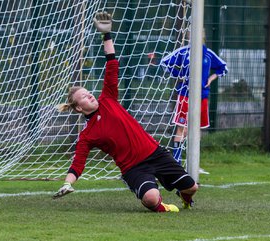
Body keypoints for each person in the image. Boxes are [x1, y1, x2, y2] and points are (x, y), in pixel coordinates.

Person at [53, 11, 198, 213]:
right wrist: (68, 183)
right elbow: (78, 164)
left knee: (192, 186)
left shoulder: (108, 98)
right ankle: (160, 205)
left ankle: (184, 196)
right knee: (150, 197)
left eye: (89, 92)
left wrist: (106, 34)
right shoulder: (87, 135)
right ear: (79, 107)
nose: (90, 96)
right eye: (84, 97)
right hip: (133, 168)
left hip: (154, 153)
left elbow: (112, 63)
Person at [161, 32, 228, 170]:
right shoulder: (183, 52)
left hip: (201, 96)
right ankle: (177, 163)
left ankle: (193, 163)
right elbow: (165, 63)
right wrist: (179, 76)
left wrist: (210, 79)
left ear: (203, 36)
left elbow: (223, 68)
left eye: (196, 34)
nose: (193, 36)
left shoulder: (208, 53)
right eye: (190, 34)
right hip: (185, 94)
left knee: (196, 130)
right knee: (181, 128)